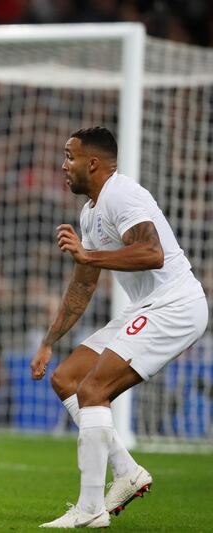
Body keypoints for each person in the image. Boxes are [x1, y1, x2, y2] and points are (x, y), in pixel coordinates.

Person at [31, 127, 208, 528]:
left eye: (69, 156)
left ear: (92, 163)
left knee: (94, 390)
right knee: (67, 379)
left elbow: (152, 252)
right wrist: (48, 342)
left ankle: (91, 509)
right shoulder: (90, 211)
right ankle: (126, 471)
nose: (64, 165)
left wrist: (89, 254)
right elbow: (83, 284)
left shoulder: (123, 194)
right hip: (146, 306)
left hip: (176, 305)